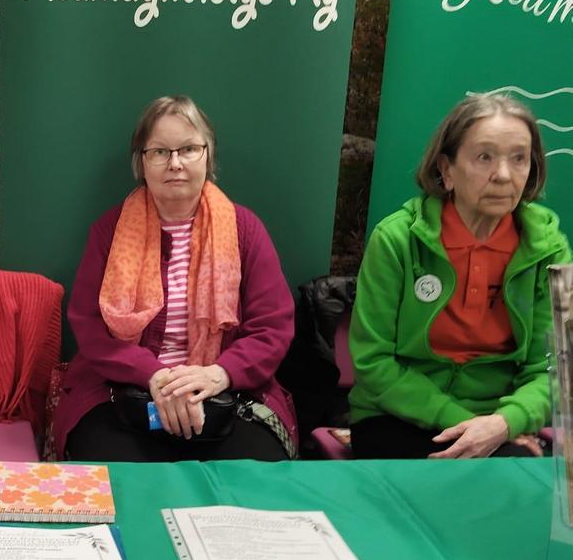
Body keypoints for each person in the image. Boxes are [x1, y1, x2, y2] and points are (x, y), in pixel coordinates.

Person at [54, 95, 296, 462]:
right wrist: (155, 377)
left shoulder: (245, 230)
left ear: (208, 156)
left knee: (256, 473)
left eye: (188, 149)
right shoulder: (108, 231)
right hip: (124, 389)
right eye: (160, 152)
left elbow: (272, 327)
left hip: (227, 392)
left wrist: (219, 374)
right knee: (116, 476)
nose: (175, 163)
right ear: (142, 162)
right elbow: (90, 327)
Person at [349, 93, 570, 459]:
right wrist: (468, 424)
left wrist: (506, 422)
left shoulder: (549, 248)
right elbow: (373, 363)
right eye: (485, 157)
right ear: (446, 170)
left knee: (523, 478)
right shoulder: (397, 239)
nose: (503, 175)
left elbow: (554, 369)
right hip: (397, 416)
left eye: (519, 158)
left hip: (503, 422)